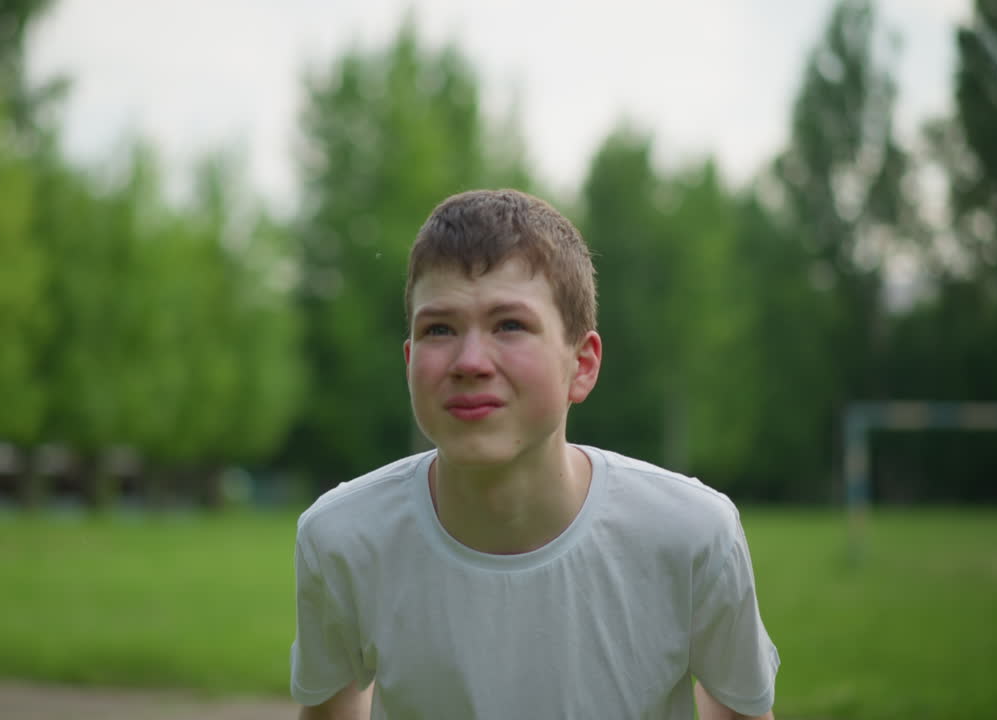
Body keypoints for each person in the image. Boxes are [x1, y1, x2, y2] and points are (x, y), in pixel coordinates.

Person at [291, 189, 779, 720]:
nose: (470, 361)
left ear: (583, 364)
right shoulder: (340, 538)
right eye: (439, 329)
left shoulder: (695, 535)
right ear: (410, 361)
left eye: (510, 325)